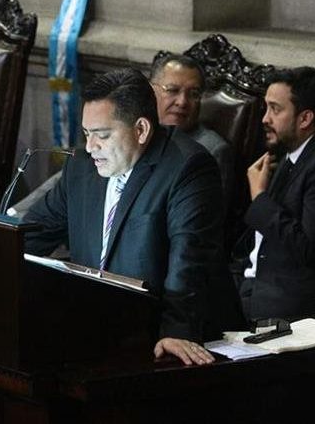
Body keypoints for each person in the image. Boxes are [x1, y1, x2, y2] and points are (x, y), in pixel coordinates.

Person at [24, 68, 238, 366]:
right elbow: (30, 233)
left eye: (102, 135)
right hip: (99, 329)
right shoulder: (82, 167)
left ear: (141, 130)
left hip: (167, 336)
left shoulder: (188, 167)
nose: (90, 147)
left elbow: (190, 259)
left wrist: (177, 330)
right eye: (87, 134)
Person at [231, 66, 315, 321]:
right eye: (266, 108)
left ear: (305, 119)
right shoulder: (291, 154)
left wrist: (260, 198)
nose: (264, 118)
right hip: (252, 288)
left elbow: (308, 249)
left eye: (275, 109)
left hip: (290, 308)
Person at [150, 54, 234, 204]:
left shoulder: (211, 150)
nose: (182, 102)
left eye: (193, 94)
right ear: (151, 91)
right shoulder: (134, 132)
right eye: (173, 90)